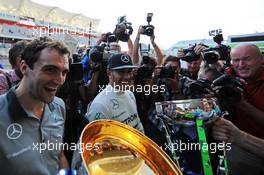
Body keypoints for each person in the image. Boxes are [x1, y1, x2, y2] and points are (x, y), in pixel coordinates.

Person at [0, 38, 70, 174]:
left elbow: (58, 154)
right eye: (50, 70)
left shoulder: (59, 106)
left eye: (64, 72)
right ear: (24, 67)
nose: (60, 80)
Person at [223, 44, 264, 175]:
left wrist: (242, 104)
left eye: (247, 59)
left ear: (261, 59)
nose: (241, 65)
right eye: (236, 60)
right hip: (240, 143)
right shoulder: (229, 75)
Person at [85, 53, 144, 133]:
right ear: (109, 73)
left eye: (129, 71)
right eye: (121, 72)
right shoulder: (100, 105)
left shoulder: (130, 94)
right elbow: (93, 141)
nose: (127, 77)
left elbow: (138, 124)